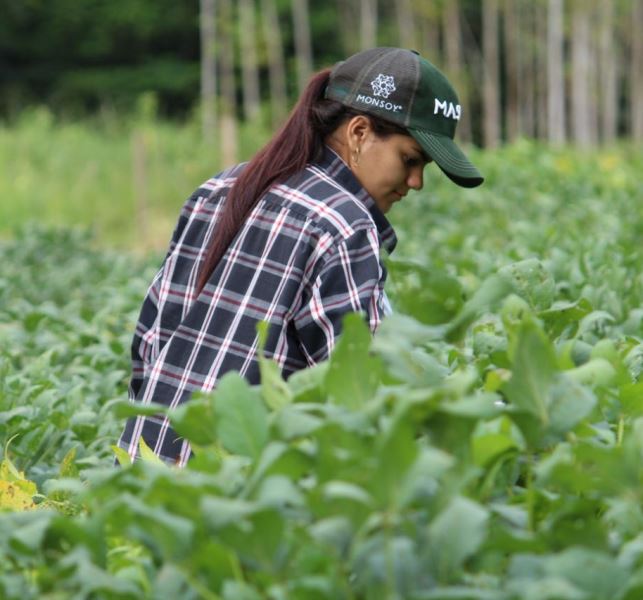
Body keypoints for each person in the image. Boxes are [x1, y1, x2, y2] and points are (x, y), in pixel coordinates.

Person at [118, 47, 483, 465]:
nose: (416, 182)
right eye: (410, 159)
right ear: (359, 133)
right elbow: (360, 394)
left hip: (142, 481)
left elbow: (150, 342)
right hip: (233, 493)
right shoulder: (345, 226)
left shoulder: (218, 189)